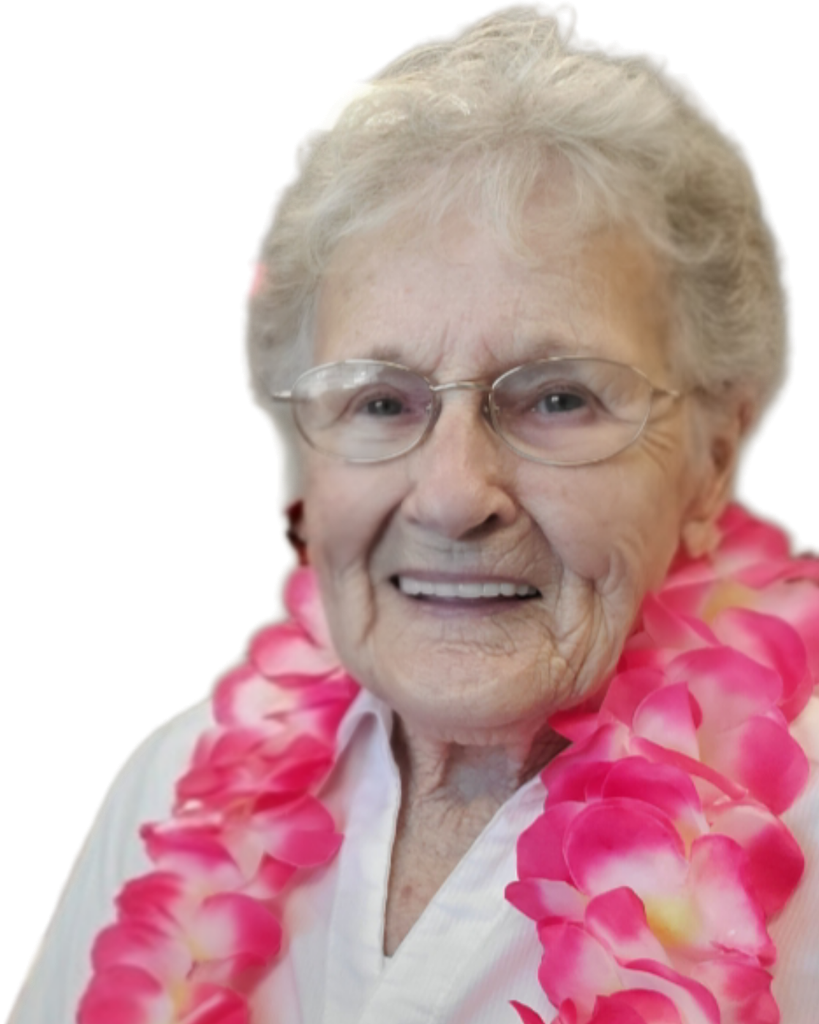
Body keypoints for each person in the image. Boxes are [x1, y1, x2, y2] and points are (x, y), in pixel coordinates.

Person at [10, 3, 817, 1022]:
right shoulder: (171, 788)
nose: (451, 494)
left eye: (557, 398)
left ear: (711, 458)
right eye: (382, 402)